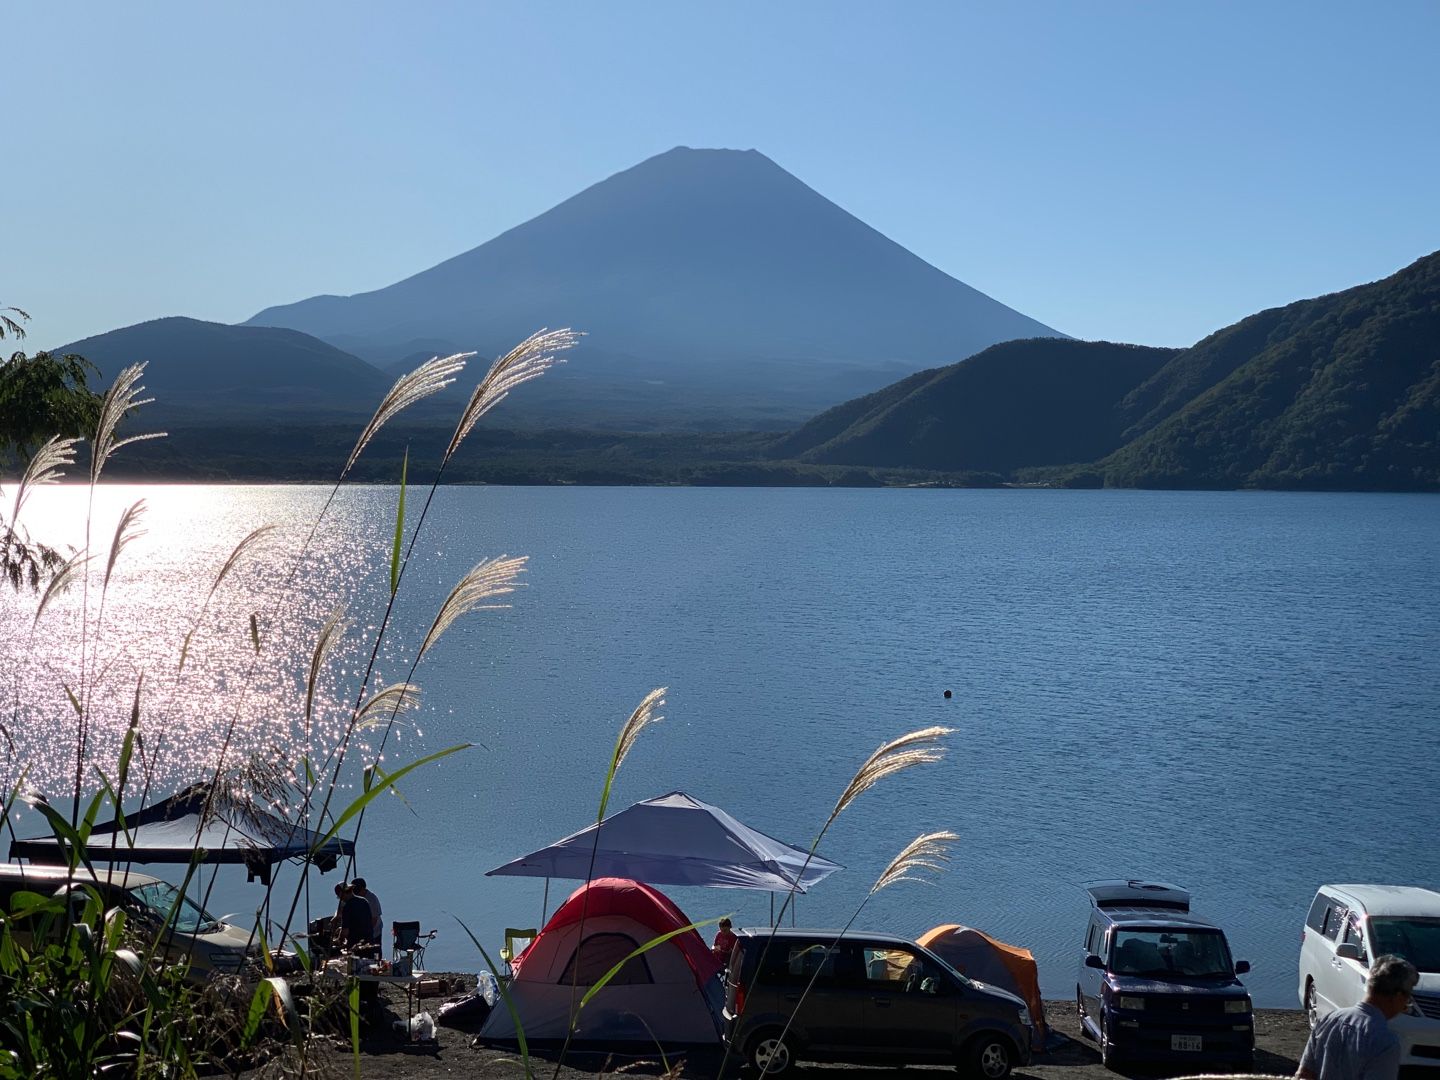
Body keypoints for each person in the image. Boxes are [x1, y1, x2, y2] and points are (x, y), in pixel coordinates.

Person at [1297, 954, 1419, 1080]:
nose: (1406, 1005)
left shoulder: (1328, 1020)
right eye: (1407, 997)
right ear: (1398, 996)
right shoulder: (1385, 1041)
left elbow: (1304, 1075)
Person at [352, 877, 383, 945]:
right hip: (361, 930)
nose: (356, 894)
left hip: (374, 931)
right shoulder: (355, 897)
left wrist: (364, 933)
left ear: (363, 889)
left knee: (375, 952)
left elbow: (374, 920)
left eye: (357, 891)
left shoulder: (372, 899)